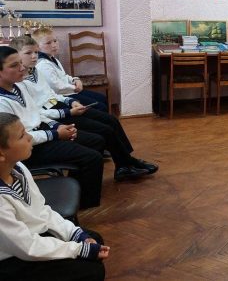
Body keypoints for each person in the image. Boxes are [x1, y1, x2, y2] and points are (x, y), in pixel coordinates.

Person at [10, 36, 158, 182]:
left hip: (59, 107)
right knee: (105, 130)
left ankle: (126, 161)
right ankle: (124, 164)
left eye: (36, 52)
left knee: (110, 119)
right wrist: (67, 112)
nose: (34, 56)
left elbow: (51, 95)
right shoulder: (20, 82)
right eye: (28, 53)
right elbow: (39, 111)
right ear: (16, 56)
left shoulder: (35, 70)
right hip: (54, 115)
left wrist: (71, 101)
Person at [0, 113, 108, 281]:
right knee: (91, 271)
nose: (30, 137)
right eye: (22, 136)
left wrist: (75, 234)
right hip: (10, 257)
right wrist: (78, 250)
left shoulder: (18, 168)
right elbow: (27, 247)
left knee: (93, 240)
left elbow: (41, 210)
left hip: (29, 236)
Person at [0, 46, 104, 209]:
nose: (22, 68)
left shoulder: (18, 86)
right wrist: (55, 134)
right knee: (92, 157)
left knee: (96, 140)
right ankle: (82, 205)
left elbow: (37, 114)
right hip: (28, 148)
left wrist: (58, 126)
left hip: (41, 134)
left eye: (20, 63)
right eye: (14, 65)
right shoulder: (2, 102)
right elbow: (19, 138)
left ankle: (79, 190)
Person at [31, 27, 108, 112]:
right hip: (63, 96)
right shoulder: (43, 65)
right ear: (37, 47)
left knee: (102, 98)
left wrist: (75, 79)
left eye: (55, 41)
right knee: (101, 106)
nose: (54, 45)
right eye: (48, 43)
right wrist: (74, 87)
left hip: (70, 91)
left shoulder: (52, 58)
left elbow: (63, 76)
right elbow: (56, 87)